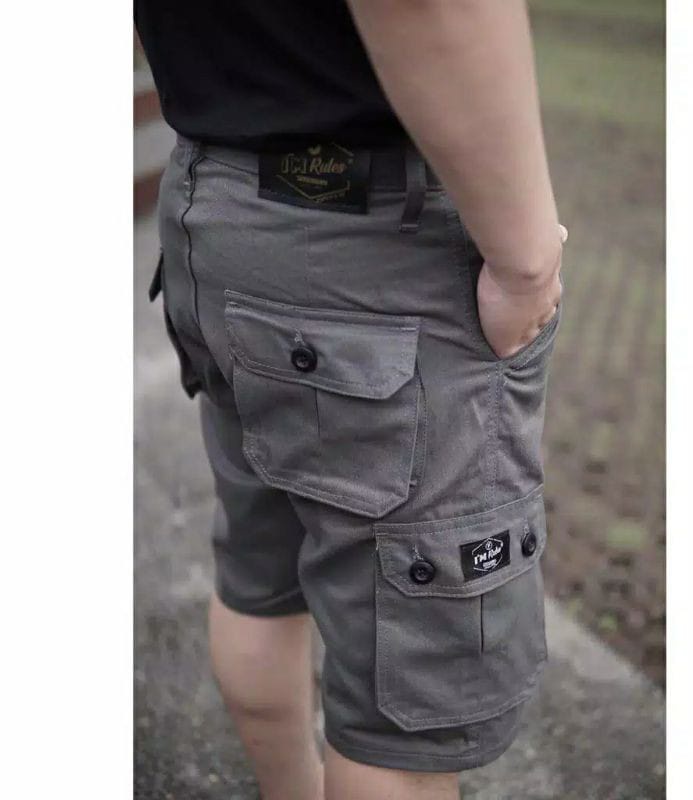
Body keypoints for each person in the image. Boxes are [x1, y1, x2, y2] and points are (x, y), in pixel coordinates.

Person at [135, 1, 567, 798]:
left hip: (213, 212)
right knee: (399, 733)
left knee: (261, 574)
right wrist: (526, 261)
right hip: (367, 252)